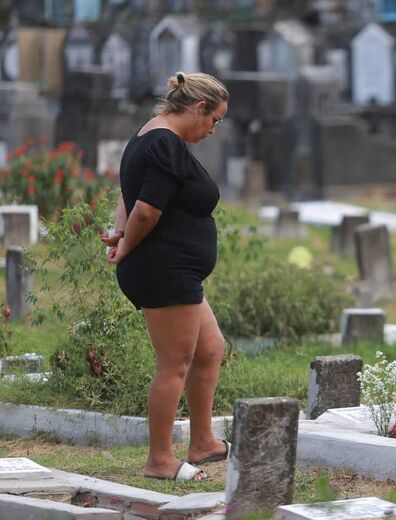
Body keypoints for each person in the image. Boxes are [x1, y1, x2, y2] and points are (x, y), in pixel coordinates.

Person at [102, 72, 229, 481]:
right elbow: (146, 210)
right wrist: (126, 244)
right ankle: (159, 459)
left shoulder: (150, 135)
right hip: (164, 269)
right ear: (198, 108)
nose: (213, 129)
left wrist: (121, 232)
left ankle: (203, 442)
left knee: (210, 350)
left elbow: (128, 196)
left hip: (174, 269)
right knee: (175, 363)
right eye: (214, 120)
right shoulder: (164, 142)